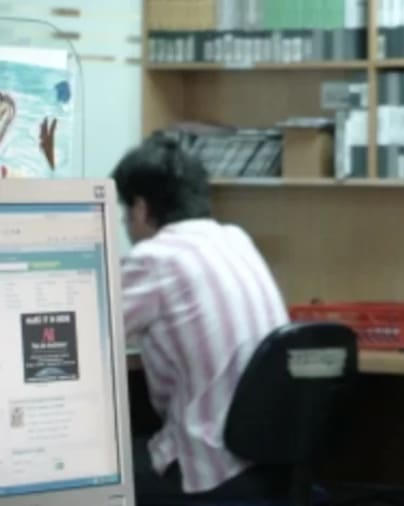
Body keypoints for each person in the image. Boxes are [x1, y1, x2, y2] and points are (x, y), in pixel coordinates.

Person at [113, 135, 289, 499]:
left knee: (86, 475)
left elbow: (84, 333)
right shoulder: (235, 239)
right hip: (268, 460)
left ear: (141, 208)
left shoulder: (156, 257)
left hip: (210, 468)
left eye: (124, 212)